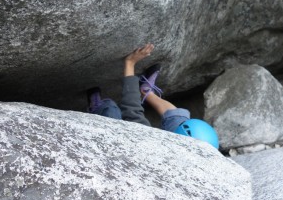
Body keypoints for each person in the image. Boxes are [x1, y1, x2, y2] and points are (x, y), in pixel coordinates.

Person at [87, 44, 219, 149]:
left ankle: (98, 108)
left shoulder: (146, 142)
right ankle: (146, 91)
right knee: (177, 116)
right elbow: (175, 117)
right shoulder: (202, 147)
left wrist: (130, 63)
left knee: (111, 112)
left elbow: (132, 109)